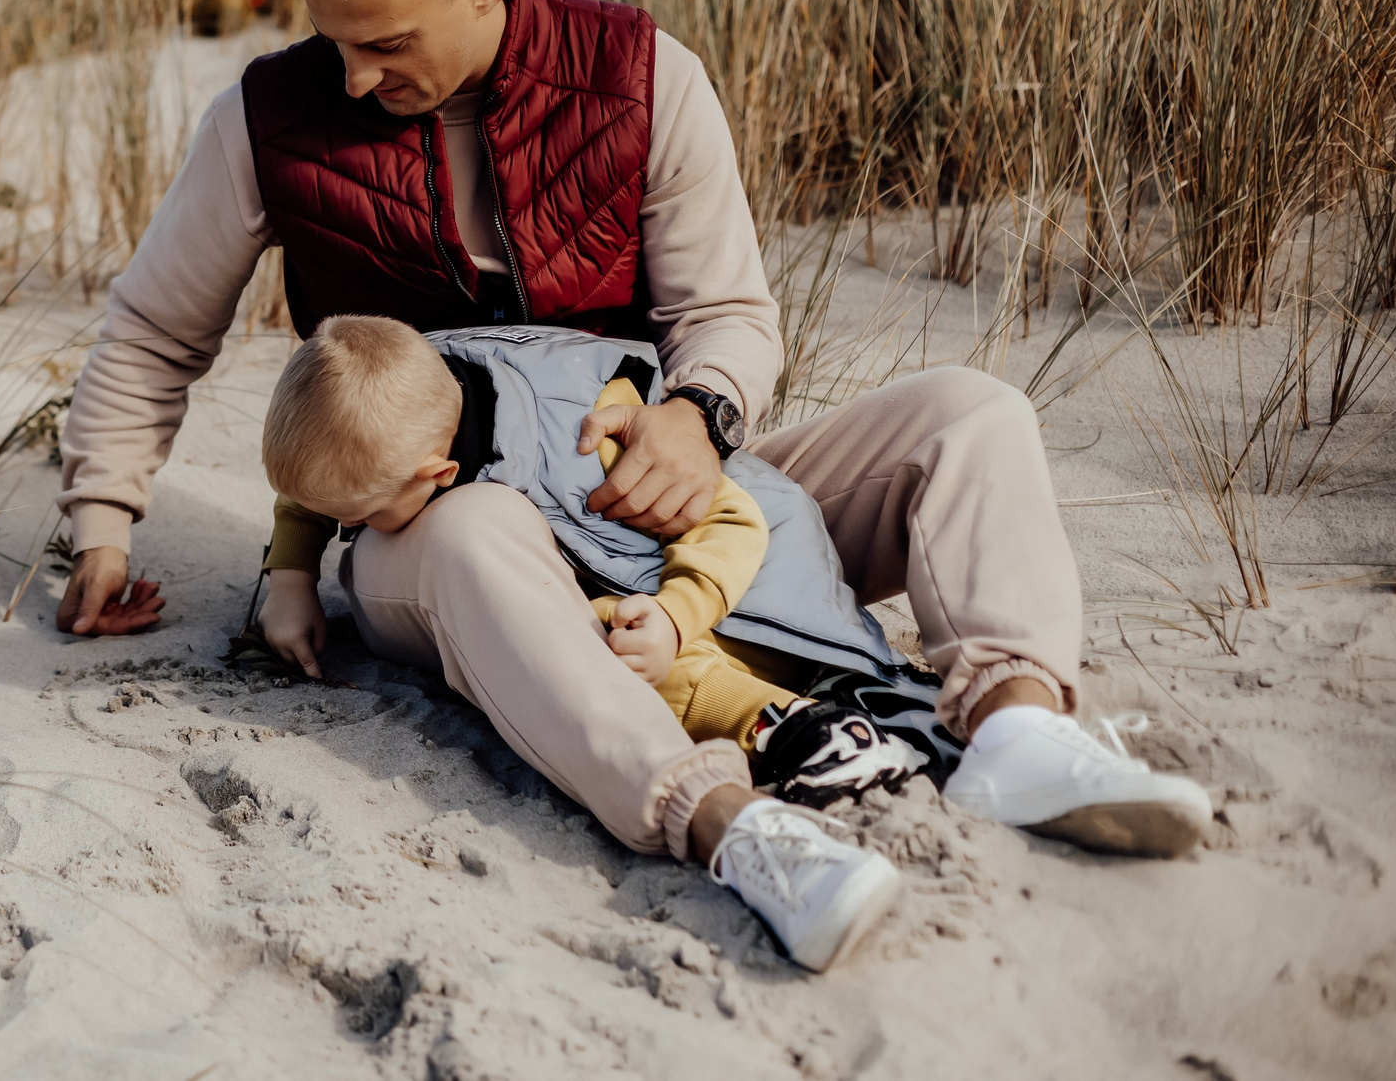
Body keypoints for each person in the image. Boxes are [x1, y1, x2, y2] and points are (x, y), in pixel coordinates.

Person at [51, 0, 1212, 956]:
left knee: (971, 413)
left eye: (388, 43)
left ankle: (1015, 726)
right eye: (335, 41)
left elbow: (727, 316)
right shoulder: (267, 118)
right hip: (438, 533)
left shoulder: (642, 75)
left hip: (649, 491)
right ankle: (732, 828)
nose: (354, 76)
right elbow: (155, 328)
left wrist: (695, 420)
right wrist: (103, 519)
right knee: (474, 529)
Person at [256, 314, 933, 814]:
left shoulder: (593, 434)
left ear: (440, 472)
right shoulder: (398, 409)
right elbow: (320, 486)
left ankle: (791, 722)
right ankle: (839, 709)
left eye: (363, 519)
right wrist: (290, 574)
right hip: (669, 597)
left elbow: (735, 522)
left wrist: (673, 616)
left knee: (610, 627)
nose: (356, 533)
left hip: (744, 602)